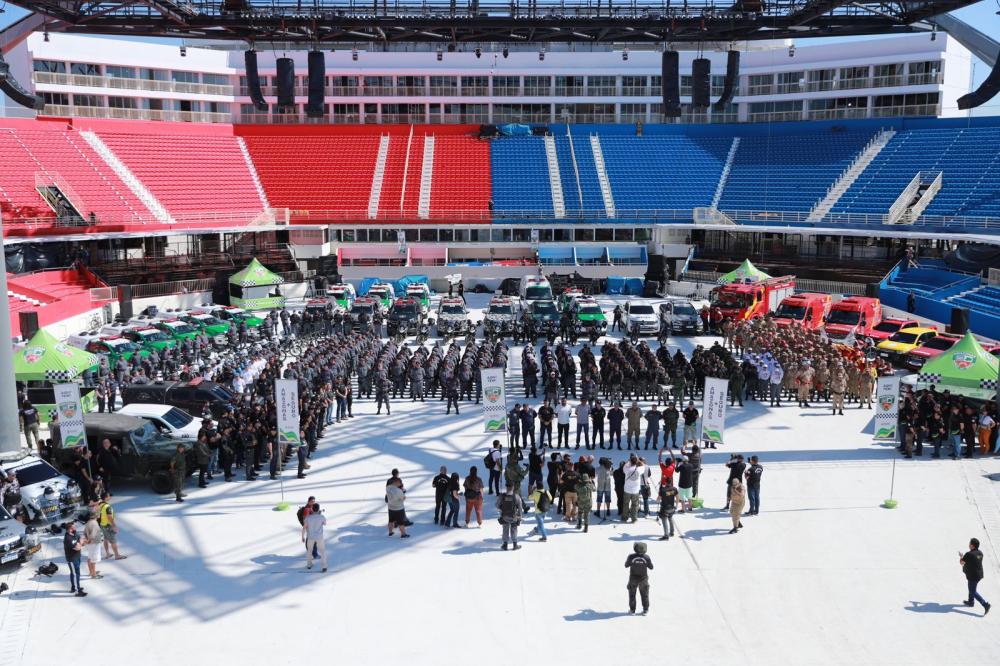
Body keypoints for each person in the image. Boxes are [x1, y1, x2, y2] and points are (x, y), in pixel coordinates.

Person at [960, 538, 991, 614]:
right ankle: (971, 602)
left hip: (973, 576)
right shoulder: (980, 553)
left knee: (972, 591)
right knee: (971, 587)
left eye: (969, 543)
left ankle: (985, 604)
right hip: (979, 575)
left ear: (972, 545)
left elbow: (962, 563)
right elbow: (974, 560)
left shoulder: (968, 554)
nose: (969, 544)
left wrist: (961, 556)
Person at [625, 542, 654, 615]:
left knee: (632, 594)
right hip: (643, 578)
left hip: (633, 578)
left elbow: (626, 565)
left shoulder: (631, 556)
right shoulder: (646, 557)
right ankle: (645, 610)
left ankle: (632, 610)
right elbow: (651, 567)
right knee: (644, 594)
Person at [98, 493, 125, 560]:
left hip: (102, 524)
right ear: (106, 497)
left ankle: (108, 553)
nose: (109, 497)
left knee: (105, 539)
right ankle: (117, 555)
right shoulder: (107, 507)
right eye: (108, 496)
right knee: (113, 541)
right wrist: (114, 526)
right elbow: (109, 517)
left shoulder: (100, 504)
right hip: (108, 525)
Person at [497, 483, 524, 550]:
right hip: (514, 517)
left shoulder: (502, 496)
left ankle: (505, 545)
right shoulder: (516, 496)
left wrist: (501, 509)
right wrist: (520, 517)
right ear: (513, 487)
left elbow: (497, 505)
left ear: (506, 487)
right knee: (514, 530)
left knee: (505, 530)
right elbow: (520, 508)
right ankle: (515, 545)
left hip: (504, 516)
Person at [302, 502, 328, 571]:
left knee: (309, 551)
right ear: (318, 509)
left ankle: (309, 565)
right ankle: (324, 566)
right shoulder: (322, 517)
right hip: (319, 537)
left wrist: (302, 536)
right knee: (322, 551)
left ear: (312, 509)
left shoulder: (308, 518)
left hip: (310, 537)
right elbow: (325, 523)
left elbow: (304, 527)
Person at [64, 521, 87, 597]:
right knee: (75, 573)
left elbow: (81, 539)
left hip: (77, 557)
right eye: (73, 527)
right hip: (71, 559)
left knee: (76, 573)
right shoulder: (67, 538)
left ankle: (75, 587)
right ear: (69, 529)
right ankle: (77, 590)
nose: (75, 527)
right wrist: (79, 544)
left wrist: (79, 543)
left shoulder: (75, 533)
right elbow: (77, 548)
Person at [622, 454, 643, 523]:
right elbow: (643, 465)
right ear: (636, 462)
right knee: (635, 505)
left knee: (625, 504)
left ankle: (625, 517)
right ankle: (634, 518)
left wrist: (629, 461)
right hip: (635, 490)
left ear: (630, 461)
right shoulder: (639, 469)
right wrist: (638, 460)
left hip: (627, 490)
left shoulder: (627, 469)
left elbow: (625, 464)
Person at [83, 510, 104, 580]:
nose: (99, 515)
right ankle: (94, 575)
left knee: (90, 557)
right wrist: (88, 541)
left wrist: (86, 541)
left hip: (90, 544)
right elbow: (92, 535)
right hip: (94, 543)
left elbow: (84, 532)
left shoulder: (88, 522)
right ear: (96, 515)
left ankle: (91, 572)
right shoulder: (95, 523)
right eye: (99, 514)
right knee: (94, 559)